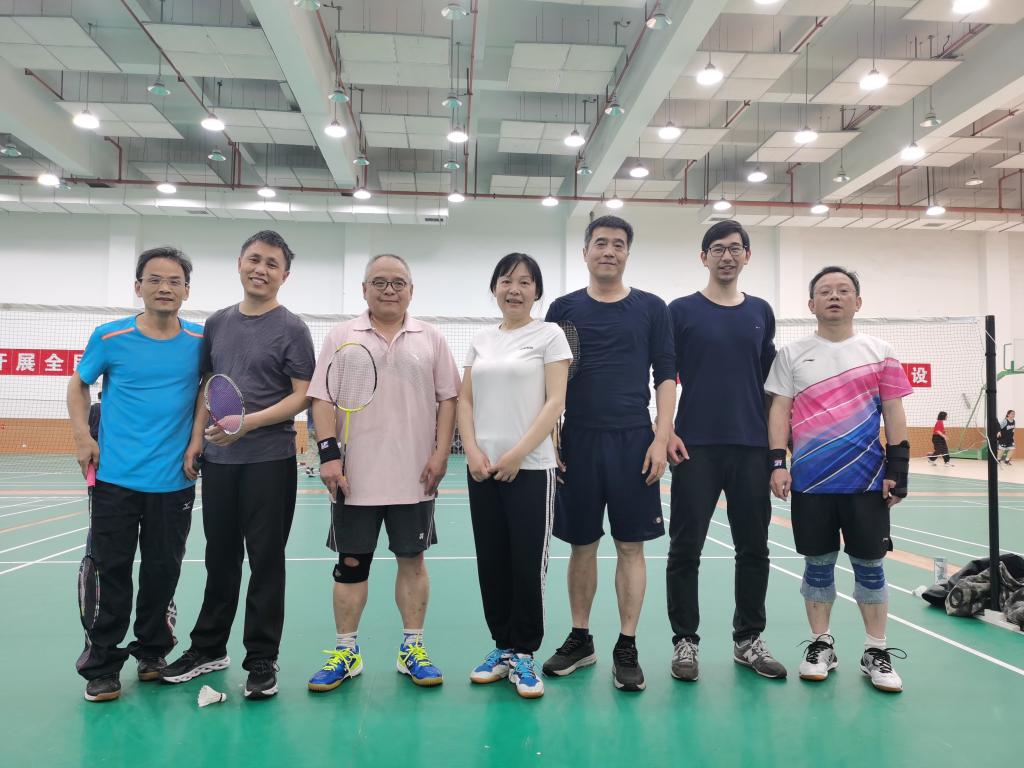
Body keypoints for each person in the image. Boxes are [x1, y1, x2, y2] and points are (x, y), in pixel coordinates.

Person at [161, 231, 315, 699]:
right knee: (220, 557)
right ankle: (208, 648)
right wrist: (196, 439)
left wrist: (249, 424)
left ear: (285, 275)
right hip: (221, 460)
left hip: (270, 460)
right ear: (240, 263)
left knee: (266, 560)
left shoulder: (293, 328)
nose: (261, 270)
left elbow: (303, 395)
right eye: (254, 259)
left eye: (272, 264)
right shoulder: (217, 323)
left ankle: (262, 658)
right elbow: (209, 382)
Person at [304, 254, 459, 692]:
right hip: (355, 477)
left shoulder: (431, 337)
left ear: (411, 289)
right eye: (380, 282)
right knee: (351, 565)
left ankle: (412, 649)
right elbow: (321, 398)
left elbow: (449, 398)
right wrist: (329, 456)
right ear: (364, 289)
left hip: (415, 476)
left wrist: (441, 453)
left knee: (412, 560)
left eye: (398, 282)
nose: (389, 290)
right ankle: (346, 652)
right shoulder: (341, 336)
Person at [542, 215, 678, 692]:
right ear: (585, 252)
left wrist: (661, 437)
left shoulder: (652, 308)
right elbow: (548, 378)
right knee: (581, 545)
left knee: (630, 546)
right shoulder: (562, 308)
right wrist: (551, 438)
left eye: (618, 244)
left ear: (627, 254)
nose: (609, 251)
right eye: (600, 243)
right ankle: (581, 638)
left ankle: (627, 644)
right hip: (577, 441)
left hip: (633, 441)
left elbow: (666, 375)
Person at [766, 266, 912, 693]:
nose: (834, 296)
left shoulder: (880, 352)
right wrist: (777, 462)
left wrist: (898, 469)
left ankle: (875, 650)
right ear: (811, 304)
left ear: (858, 302)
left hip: (866, 483)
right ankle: (821, 645)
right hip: (811, 483)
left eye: (843, 290)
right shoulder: (791, 354)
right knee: (817, 567)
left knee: (870, 567)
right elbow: (779, 410)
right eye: (825, 291)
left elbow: (894, 411)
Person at [67, 246, 203, 702]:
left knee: (163, 572)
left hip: (175, 481)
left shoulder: (201, 341)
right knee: (111, 572)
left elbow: (207, 389)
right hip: (115, 480)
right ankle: (102, 665)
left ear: (186, 290)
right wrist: (82, 437)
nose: (165, 288)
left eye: (174, 281)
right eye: (155, 279)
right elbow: (78, 384)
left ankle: (153, 652)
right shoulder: (111, 337)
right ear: (138, 286)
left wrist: (198, 439)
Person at [665, 219, 787, 682]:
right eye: (717, 248)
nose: (727, 256)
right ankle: (685, 641)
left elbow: (772, 387)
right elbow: (665, 376)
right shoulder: (680, 311)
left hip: (751, 447)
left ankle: (748, 639)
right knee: (685, 548)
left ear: (747, 256)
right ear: (704, 257)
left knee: (754, 547)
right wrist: (665, 430)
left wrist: (778, 452)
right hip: (694, 447)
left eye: (735, 248)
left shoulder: (760, 311)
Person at [459, 253, 571, 699]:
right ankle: (502, 647)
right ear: (494, 288)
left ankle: (524, 652)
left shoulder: (550, 335)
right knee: (492, 562)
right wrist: (472, 451)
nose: (515, 289)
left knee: (527, 564)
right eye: (506, 280)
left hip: (530, 468)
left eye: (525, 282)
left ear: (537, 291)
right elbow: (465, 400)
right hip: (482, 470)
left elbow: (555, 401)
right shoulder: (481, 339)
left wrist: (517, 455)